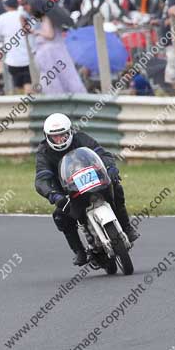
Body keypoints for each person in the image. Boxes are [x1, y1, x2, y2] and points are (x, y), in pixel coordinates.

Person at [35, 113, 138, 266]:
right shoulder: (44, 152)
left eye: (62, 135)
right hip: (66, 190)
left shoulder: (81, 139)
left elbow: (102, 153)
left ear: (70, 132)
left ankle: (127, 227)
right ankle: (79, 251)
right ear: (47, 137)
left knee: (116, 188)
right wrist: (54, 196)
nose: (59, 139)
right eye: (54, 137)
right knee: (59, 216)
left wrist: (110, 167)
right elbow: (41, 178)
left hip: (94, 179)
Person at [21, 0, 86, 94]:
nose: (25, 8)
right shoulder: (51, 17)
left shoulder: (45, 17)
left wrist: (35, 32)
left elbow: (49, 35)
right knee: (66, 76)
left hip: (50, 54)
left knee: (54, 80)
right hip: (58, 51)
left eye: (26, 5)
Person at [0, 0, 32, 94]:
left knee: (17, 82)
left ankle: (21, 101)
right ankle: (30, 100)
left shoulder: (2, 18)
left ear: (6, 6)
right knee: (28, 80)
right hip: (28, 55)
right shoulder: (24, 15)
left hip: (13, 58)